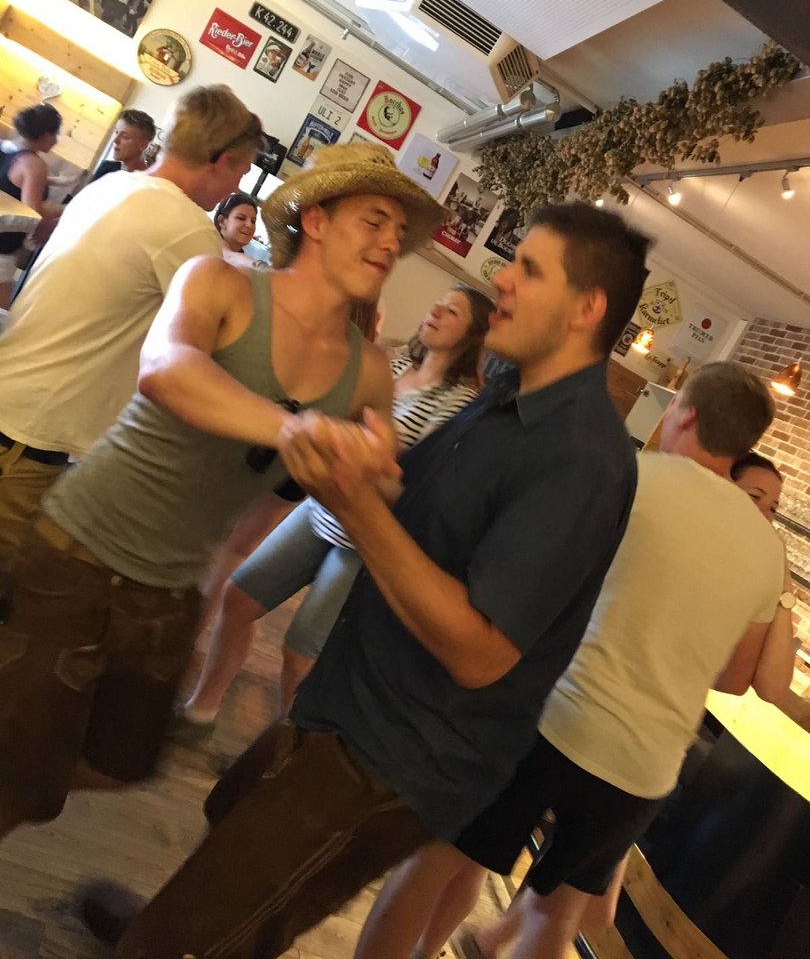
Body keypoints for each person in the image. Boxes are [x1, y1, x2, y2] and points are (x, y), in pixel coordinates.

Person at [105, 202, 652, 958]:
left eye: (529, 269)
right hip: (348, 695)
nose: (501, 278)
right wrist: (349, 463)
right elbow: (416, 511)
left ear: (587, 308)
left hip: (397, 754)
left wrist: (357, 503)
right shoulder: (503, 398)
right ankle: (161, 929)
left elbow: (481, 652)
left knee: (224, 920)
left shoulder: (581, 459)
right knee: (231, 830)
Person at [0, 141, 444, 846]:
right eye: (375, 221)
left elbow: (379, 479)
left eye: (400, 232)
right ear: (317, 220)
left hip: (171, 591)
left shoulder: (366, 372)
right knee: (20, 775)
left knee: (118, 765)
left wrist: (371, 471)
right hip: (79, 552)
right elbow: (166, 369)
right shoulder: (221, 283)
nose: (392, 243)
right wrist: (295, 429)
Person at [385, 363, 792, 959]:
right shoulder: (766, 549)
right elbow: (733, 679)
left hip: (551, 719)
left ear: (686, 414)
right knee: (553, 917)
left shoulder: (628, 476)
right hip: (642, 768)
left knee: (438, 860)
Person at [179, 283, 494, 733]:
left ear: (472, 334)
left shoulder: (459, 402)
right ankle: (202, 710)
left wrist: (358, 453)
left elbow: (415, 483)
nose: (437, 311)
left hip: (363, 540)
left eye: (453, 312)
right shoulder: (393, 363)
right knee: (238, 598)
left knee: (300, 653)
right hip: (321, 508)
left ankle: (282, 753)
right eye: (438, 303)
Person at [0, 84, 262, 572]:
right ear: (221, 159)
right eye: (242, 169)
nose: (238, 182)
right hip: (29, 438)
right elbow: (224, 347)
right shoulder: (186, 228)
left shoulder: (113, 186)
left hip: (15, 402)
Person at [0, 103, 64, 308]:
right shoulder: (33, 164)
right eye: (56, 134)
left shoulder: (10, 151)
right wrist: (69, 210)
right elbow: (32, 213)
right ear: (45, 135)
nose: (56, 141)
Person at [90, 108, 157, 181]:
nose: (115, 140)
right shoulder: (106, 168)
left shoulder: (149, 182)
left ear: (143, 145)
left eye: (125, 137)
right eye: (116, 132)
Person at [213, 191, 262, 269]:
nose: (249, 225)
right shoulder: (212, 247)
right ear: (222, 221)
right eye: (241, 218)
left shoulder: (239, 254)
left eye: (253, 221)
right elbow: (229, 257)